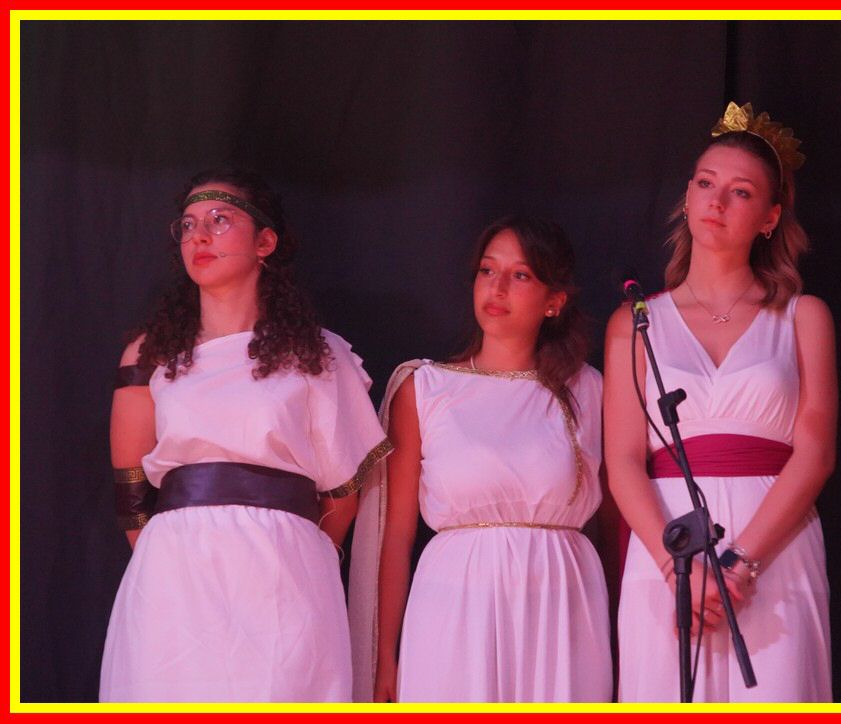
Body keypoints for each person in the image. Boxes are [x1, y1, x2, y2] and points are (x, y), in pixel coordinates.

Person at [100, 168, 391, 702]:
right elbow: (131, 489)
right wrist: (172, 558)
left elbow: (342, 494)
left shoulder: (318, 354)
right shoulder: (151, 354)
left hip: (285, 572)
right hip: (175, 575)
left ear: (265, 242)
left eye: (219, 220)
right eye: (188, 225)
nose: (199, 237)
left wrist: (292, 552)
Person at [604, 102, 836, 702]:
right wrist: (674, 566)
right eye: (706, 184)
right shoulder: (635, 322)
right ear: (687, 196)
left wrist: (740, 564)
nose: (718, 201)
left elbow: (815, 454)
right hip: (668, 551)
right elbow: (623, 460)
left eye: (741, 192)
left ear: (770, 217)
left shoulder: (803, 316)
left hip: (775, 550)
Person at [356, 216, 611, 702]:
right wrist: (385, 654)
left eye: (520, 275)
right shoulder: (425, 387)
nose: (497, 287)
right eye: (487, 270)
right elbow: (396, 535)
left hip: (561, 600)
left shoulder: (588, 388)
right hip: (455, 601)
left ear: (554, 300)